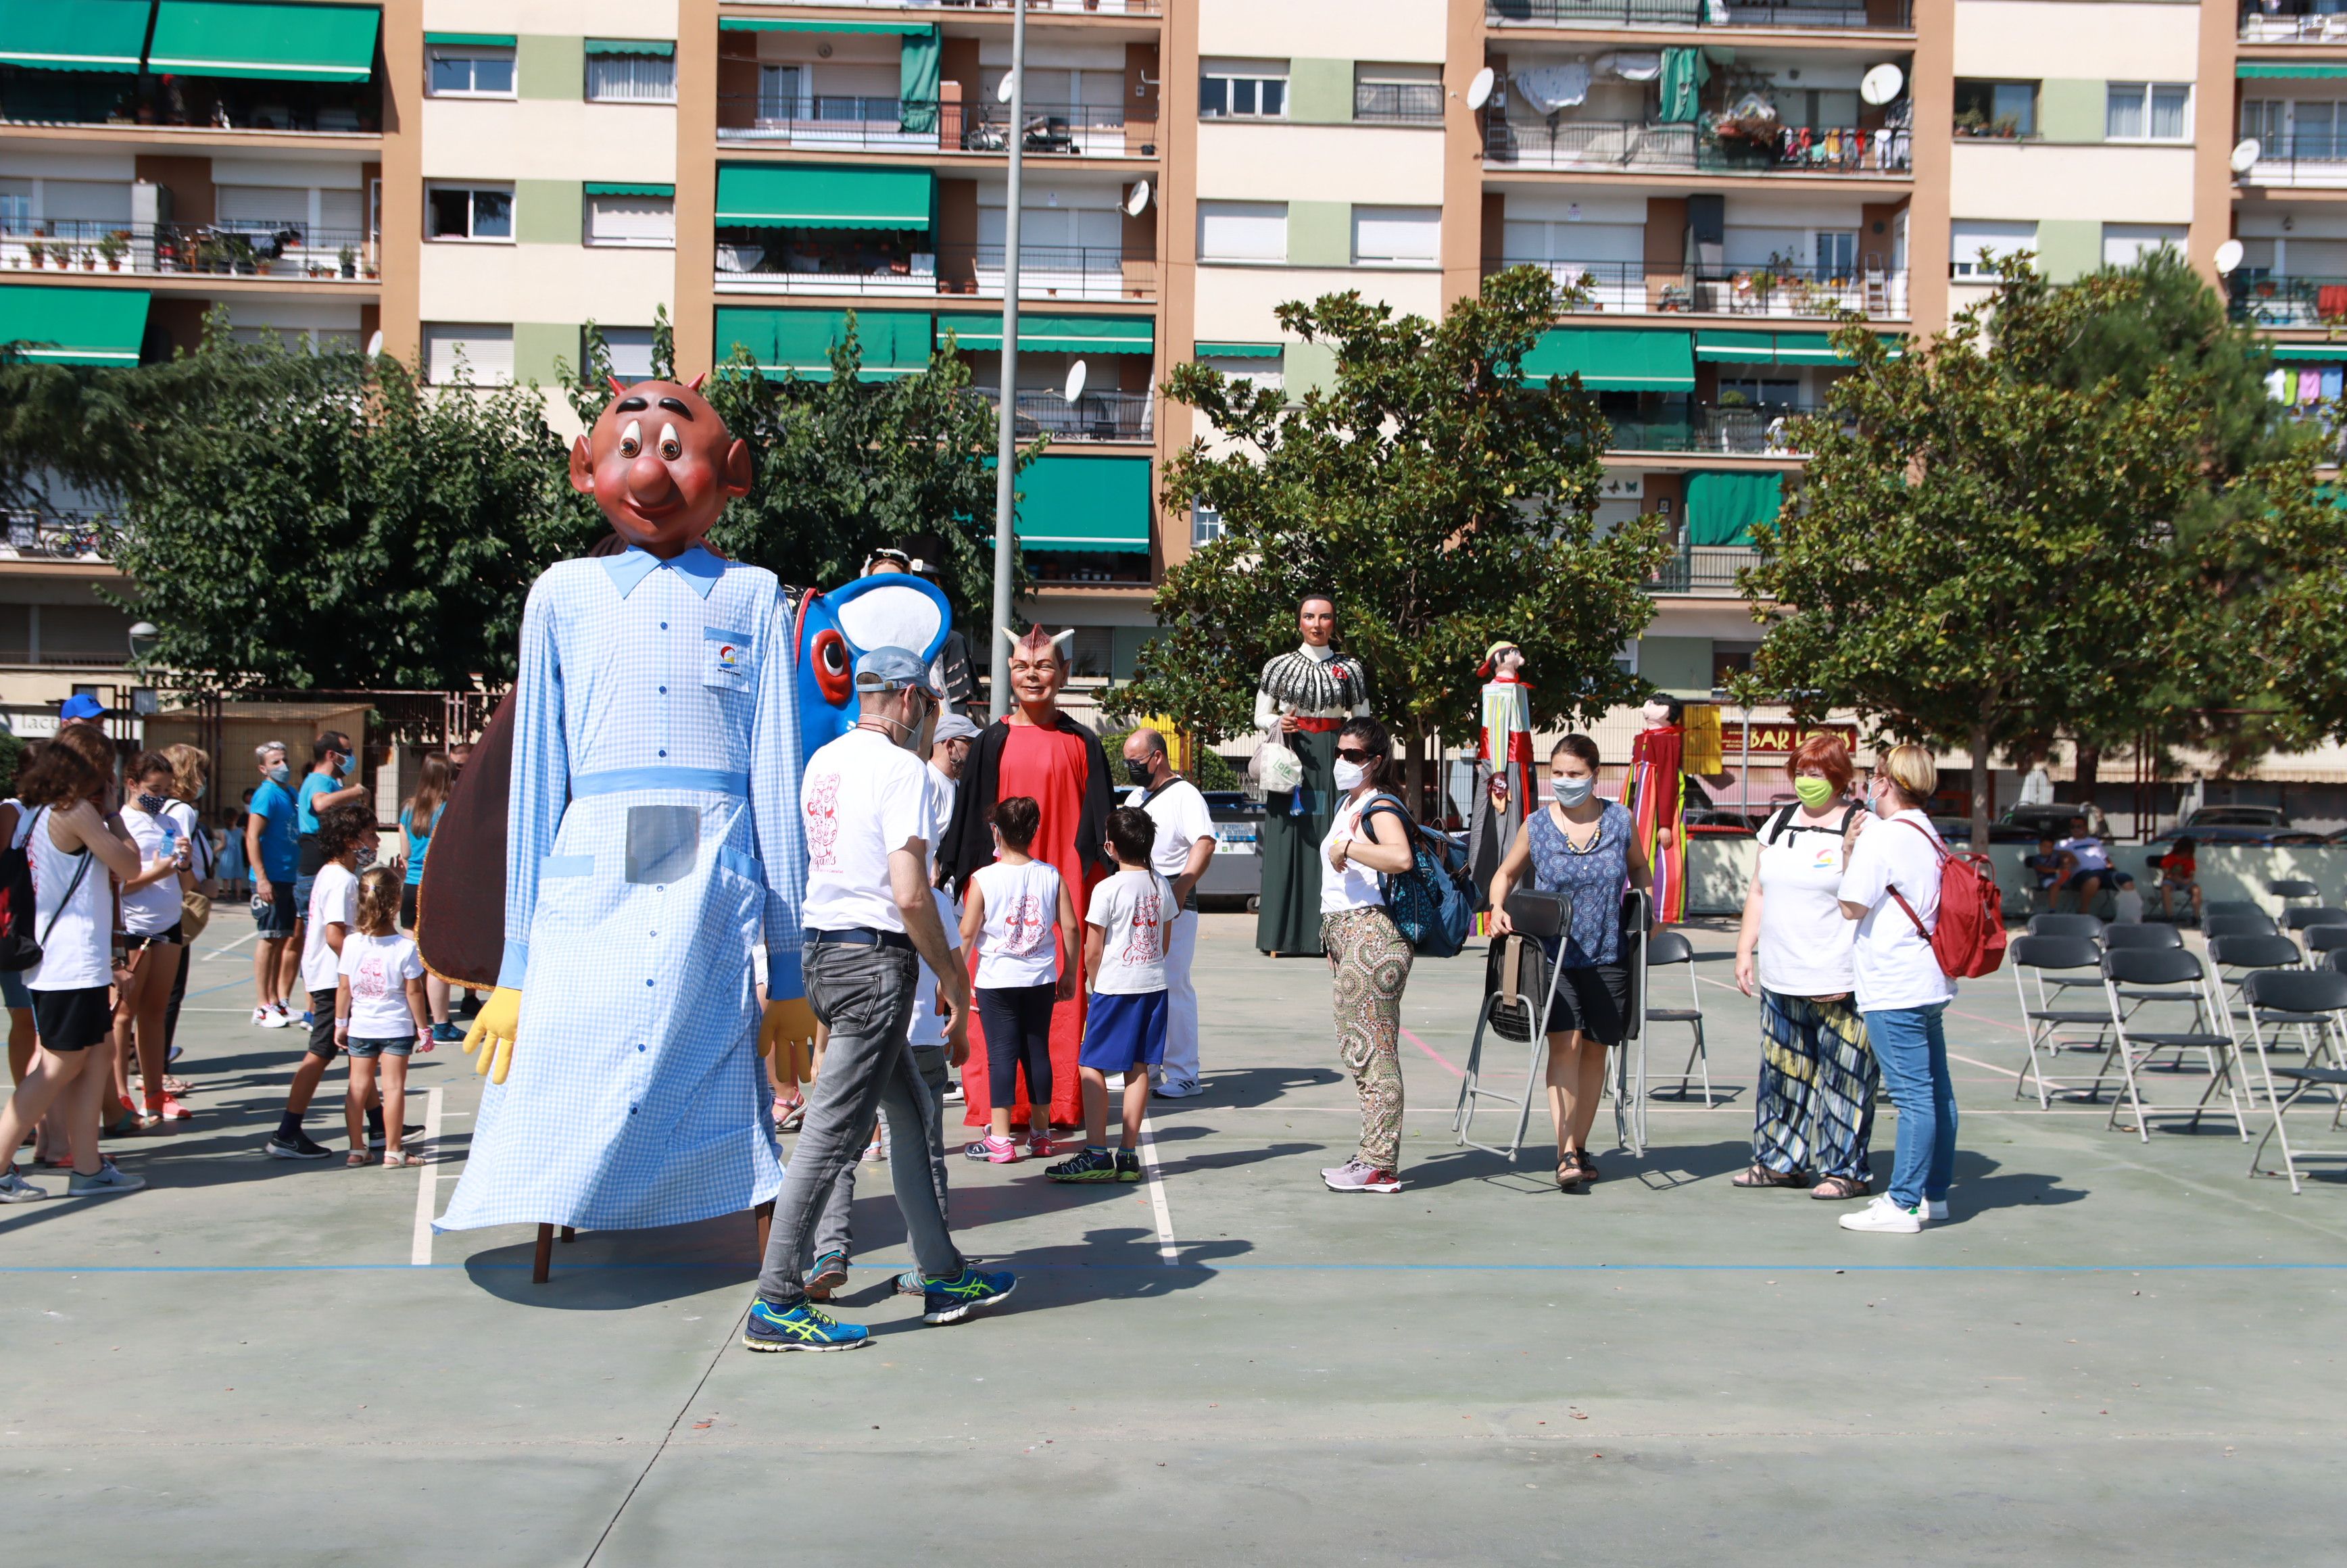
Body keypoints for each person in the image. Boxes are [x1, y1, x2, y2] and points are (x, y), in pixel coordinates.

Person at [435, 374, 818, 1244]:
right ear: (587, 469)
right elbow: (535, 779)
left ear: (731, 471)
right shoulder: (561, 595)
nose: (650, 476)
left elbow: (774, 780)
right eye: (630, 450)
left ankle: (728, 1196)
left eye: (676, 453)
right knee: (577, 1046)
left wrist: (787, 973)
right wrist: (516, 970)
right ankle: (559, 1194)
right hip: (591, 874)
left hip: (712, 875)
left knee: (710, 1052)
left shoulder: (755, 596)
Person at [745, 647, 1015, 1352]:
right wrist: (954, 979)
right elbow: (908, 890)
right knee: (832, 1132)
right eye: (925, 701)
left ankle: (942, 1270)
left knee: (908, 1106)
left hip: (827, 953)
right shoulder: (902, 771)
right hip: (873, 962)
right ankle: (775, 1298)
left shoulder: (823, 762)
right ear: (906, 699)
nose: (928, 713)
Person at [938, 625, 1115, 1130]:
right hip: (996, 896)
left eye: (1043, 667)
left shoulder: (1083, 742)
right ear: (1008, 674)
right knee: (991, 1004)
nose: (1032, 675)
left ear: (1063, 674)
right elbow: (970, 823)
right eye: (1021, 667)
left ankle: (1057, 1106)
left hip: (1061, 895)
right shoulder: (991, 740)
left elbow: (1100, 830)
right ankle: (998, 1112)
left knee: (1058, 1005)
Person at [1486, 734, 1655, 1193]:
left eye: (1574, 774)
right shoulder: (1538, 825)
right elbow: (1505, 873)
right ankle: (1563, 1152)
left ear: (1594, 774)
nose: (1564, 782)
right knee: (1567, 1043)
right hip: (1551, 956)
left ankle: (1579, 1146)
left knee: (1597, 1047)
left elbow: (1640, 868)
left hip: (1608, 953)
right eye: (1557, 773)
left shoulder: (1620, 821)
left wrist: (1645, 902)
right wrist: (1498, 907)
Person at [0, 727, 147, 1200]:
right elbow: (130, 866)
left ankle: (88, 1166)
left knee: (97, 1055)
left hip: (67, 959)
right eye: (106, 767)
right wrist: (113, 815)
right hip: (69, 961)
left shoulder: (40, 813)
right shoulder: (76, 812)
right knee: (57, 1064)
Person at [1731, 734, 1877, 1200]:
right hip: (1782, 975)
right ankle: (1779, 1162)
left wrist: (1853, 851)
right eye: (1801, 771)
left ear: (1839, 778)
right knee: (1782, 1073)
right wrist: (1743, 950)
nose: (1807, 781)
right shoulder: (1778, 823)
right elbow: (1759, 890)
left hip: (1840, 977)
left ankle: (1845, 1170)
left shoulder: (1860, 825)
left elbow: (1867, 894)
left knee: (1845, 1078)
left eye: (1817, 772)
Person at [1835, 743, 1959, 1234]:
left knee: (1912, 1098)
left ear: (1884, 782)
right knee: (1936, 1092)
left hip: (1894, 980)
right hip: (1927, 976)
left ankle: (1904, 1202)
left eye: (1872, 776)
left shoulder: (1883, 836)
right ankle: (1934, 1194)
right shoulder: (1928, 831)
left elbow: (1851, 904)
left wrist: (1848, 850)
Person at [1314, 716, 1420, 1195]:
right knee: (1362, 1050)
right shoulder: (1350, 802)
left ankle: (1379, 1164)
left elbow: (1400, 858)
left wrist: (1351, 848)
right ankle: (1371, 1156)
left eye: (1353, 756)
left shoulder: (1379, 808)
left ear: (1376, 761)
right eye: (1339, 752)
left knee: (1374, 1053)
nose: (1342, 761)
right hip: (1352, 937)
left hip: (1372, 938)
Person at [1046, 806, 1174, 1183]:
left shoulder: (1107, 888)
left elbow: (1092, 949)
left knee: (1091, 1064)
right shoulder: (1160, 884)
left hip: (1115, 988)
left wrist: (1094, 982)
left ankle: (1096, 1151)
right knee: (1139, 1068)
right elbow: (1163, 942)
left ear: (1110, 847)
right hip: (1153, 986)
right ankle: (1129, 1154)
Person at [1253, 595, 1372, 957]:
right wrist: (1278, 721)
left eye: (1324, 617)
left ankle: (1328, 932)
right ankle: (1281, 936)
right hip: (1290, 756)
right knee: (1289, 835)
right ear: (1299, 622)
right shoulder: (1278, 666)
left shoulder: (1351, 669)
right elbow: (1260, 715)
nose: (1317, 624)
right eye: (1309, 617)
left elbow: (1363, 719)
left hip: (1336, 755)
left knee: (1331, 834)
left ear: (1334, 623)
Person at [962, 796, 1078, 1163]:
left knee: (1001, 1055)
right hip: (1039, 977)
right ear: (1034, 832)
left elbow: (967, 933)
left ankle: (1000, 1139)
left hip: (997, 979)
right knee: (1037, 1050)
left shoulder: (983, 878)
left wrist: (953, 979)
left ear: (996, 831)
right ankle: (1041, 1136)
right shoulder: (1050, 875)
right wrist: (1070, 972)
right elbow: (1071, 926)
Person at [262, 801, 380, 1161]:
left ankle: (379, 1125)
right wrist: (361, 970)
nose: (375, 841)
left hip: (331, 976)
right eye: (369, 835)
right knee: (322, 1050)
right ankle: (287, 1131)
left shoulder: (337, 874)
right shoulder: (340, 879)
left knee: (361, 1048)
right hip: (333, 979)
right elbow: (334, 935)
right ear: (348, 840)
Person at [1120, 727, 1216, 1098]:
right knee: (1142, 985)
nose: (1131, 767)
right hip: (1139, 898)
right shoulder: (1136, 795)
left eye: (1136, 761)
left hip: (1173, 898)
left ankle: (1185, 1073)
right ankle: (1147, 1065)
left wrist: (1178, 892)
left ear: (1157, 757)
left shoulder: (1185, 795)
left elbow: (1204, 843)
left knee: (1174, 984)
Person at [113, 751, 194, 1128]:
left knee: (155, 1012)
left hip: (169, 923)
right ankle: (119, 1098)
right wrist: (159, 868)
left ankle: (155, 1093)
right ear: (132, 784)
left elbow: (187, 884)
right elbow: (122, 886)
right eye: (153, 789)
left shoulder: (168, 822)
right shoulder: (121, 824)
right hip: (134, 927)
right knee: (123, 1014)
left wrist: (184, 863)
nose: (160, 796)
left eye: (165, 789)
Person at [335, 866, 431, 1167]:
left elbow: (345, 987)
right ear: (395, 903)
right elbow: (414, 992)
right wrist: (424, 1028)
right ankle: (393, 1149)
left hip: (361, 1026)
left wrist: (341, 1023)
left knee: (358, 1087)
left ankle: (356, 1148)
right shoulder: (405, 947)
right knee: (393, 1088)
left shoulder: (352, 943)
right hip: (395, 1027)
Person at [156, 744, 213, 1091]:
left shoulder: (162, 807)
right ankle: (157, 1067)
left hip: (162, 902)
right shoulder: (182, 812)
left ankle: (151, 1061)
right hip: (172, 903)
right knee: (169, 992)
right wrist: (199, 881)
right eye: (201, 772)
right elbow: (176, 858)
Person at [396, 754, 462, 1045]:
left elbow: (407, 853)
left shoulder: (409, 808)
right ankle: (441, 1022)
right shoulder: (451, 808)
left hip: (411, 885)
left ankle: (410, 1015)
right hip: (437, 885)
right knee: (436, 958)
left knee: (410, 953)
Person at [246, 742, 301, 1029]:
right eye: (275, 762)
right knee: (268, 938)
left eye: (284, 760)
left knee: (282, 938)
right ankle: (262, 1005)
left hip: (290, 876)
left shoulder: (291, 793)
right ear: (263, 768)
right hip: (271, 877)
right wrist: (262, 878)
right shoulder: (265, 795)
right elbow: (252, 836)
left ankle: (278, 1001)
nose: (283, 766)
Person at [293, 731, 366, 932]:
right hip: (317, 865)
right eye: (348, 752)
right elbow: (320, 804)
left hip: (320, 867)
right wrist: (356, 792)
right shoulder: (321, 780)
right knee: (324, 937)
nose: (351, 758)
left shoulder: (326, 782)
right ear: (332, 755)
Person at [1626, 696, 1687, 927]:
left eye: (1653, 704)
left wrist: (1664, 823)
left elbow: (1669, 782)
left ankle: (1655, 917)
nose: (1646, 708)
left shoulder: (1669, 741)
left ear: (1667, 711)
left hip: (1654, 806)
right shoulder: (1644, 737)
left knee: (1658, 860)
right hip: (1641, 803)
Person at [2055, 814, 2112, 918]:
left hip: (2103, 872)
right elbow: (2054, 855)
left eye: (2079, 826)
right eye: (2073, 827)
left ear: (2085, 827)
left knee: (2125, 880)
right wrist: (2068, 854)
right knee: (2093, 880)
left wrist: (2111, 867)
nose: (2075, 829)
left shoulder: (2094, 841)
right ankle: (2083, 911)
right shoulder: (2063, 844)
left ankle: (2130, 916)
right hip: (2082, 874)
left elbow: (2106, 859)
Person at [2155, 836, 2202, 922]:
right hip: (2171, 880)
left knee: (2197, 889)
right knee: (2165, 888)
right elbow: (2167, 875)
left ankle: (2196, 917)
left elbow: (2191, 874)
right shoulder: (2169, 859)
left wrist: (2189, 880)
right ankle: (2169, 916)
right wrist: (2176, 879)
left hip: (2184, 880)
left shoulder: (2190, 860)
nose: (2186, 854)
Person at [2023, 834, 2065, 912]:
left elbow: (2066, 858)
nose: (2046, 849)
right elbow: (2042, 869)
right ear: (2039, 846)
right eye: (2044, 846)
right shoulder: (2037, 859)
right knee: (2055, 886)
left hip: (2059, 878)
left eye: (2049, 847)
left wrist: (2066, 863)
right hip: (2045, 880)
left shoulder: (2056, 856)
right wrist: (2056, 871)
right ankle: (2052, 910)